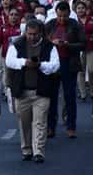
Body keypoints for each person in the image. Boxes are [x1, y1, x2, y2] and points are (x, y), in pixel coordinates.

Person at [5, 20, 59, 162]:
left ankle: (38, 152)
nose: (32, 37)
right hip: (22, 91)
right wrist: (24, 63)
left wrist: (40, 65)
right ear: (25, 32)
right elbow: (9, 61)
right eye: (29, 34)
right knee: (24, 122)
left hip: (41, 91)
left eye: (35, 34)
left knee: (40, 122)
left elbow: (55, 65)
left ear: (40, 33)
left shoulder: (49, 46)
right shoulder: (17, 44)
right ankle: (27, 149)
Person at [44, 1, 85, 138]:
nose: (62, 19)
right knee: (52, 96)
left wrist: (68, 45)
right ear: (56, 14)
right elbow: (42, 42)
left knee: (70, 96)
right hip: (54, 63)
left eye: (65, 16)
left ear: (69, 13)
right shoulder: (50, 25)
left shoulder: (75, 25)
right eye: (60, 16)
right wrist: (52, 43)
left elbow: (83, 44)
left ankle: (71, 126)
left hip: (70, 62)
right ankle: (51, 126)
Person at [76, 1, 93, 100]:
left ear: (86, 9)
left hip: (91, 47)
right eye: (79, 8)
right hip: (79, 48)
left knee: (91, 70)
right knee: (80, 71)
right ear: (75, 10)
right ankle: (82, 93)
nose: (81, 10)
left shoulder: (92, 19)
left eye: (82, 8)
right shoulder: (74, 21)